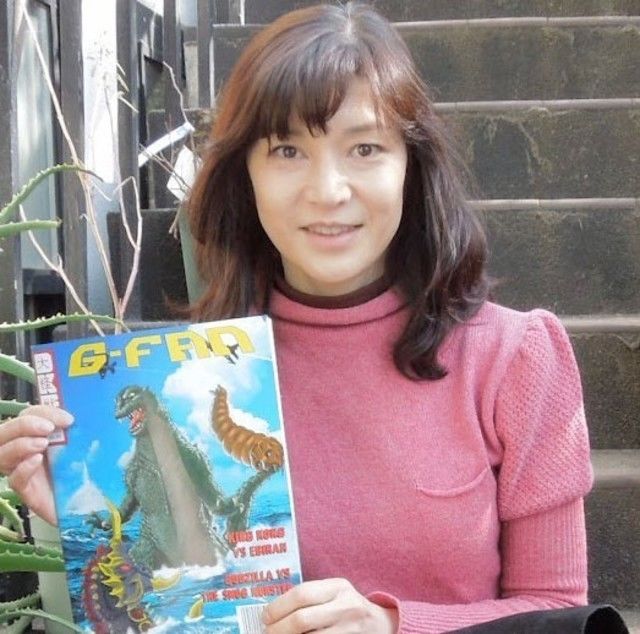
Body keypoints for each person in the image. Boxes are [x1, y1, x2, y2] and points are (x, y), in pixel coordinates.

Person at [0, 3, 596, 633]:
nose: (327, 191)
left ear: (410, 166)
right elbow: (182, 602)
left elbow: (558, 613)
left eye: (365, 147)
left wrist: (392, 627)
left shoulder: (515, 358)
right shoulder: (196, 373)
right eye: (287, 150)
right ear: (246, 176)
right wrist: (73, 521)